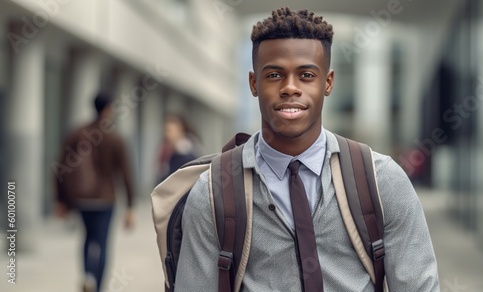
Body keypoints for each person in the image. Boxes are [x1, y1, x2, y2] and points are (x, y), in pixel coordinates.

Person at [174, 7, 439, 291]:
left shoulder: (383, 180)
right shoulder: (213, 192)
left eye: (306, 75)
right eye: (274, 75)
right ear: (253, 83)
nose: (290, 88)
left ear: (328, 82)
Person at [54, 92, 135, 292]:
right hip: (105, 199)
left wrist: (60, 199)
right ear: (108, 109)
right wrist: (130, 206)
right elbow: (126, 173)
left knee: (88, 238)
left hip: (81, 199)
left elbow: (59, 168)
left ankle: (88, 275)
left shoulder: (77, 133)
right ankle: (97, 286)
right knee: (102, 242)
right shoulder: (115, 138)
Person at [156, 114, 200, 183]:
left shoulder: (186, 154)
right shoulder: (168, 150)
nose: (166, 135)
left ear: (180, 130)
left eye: (169, 130)